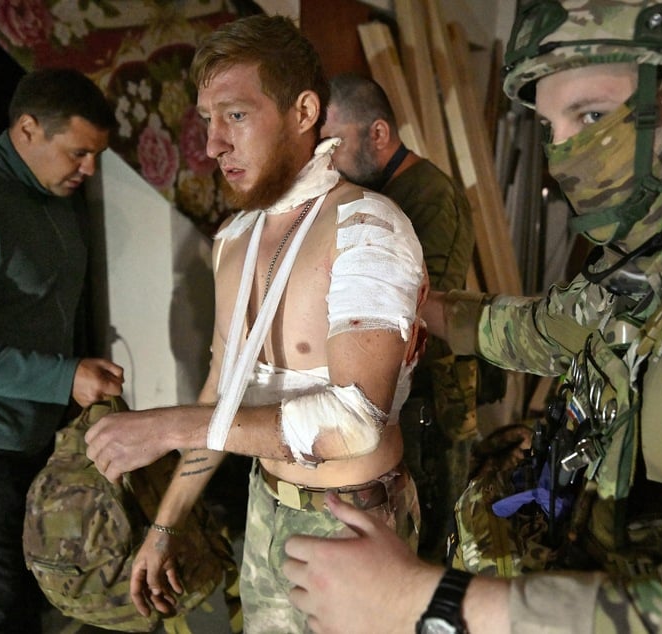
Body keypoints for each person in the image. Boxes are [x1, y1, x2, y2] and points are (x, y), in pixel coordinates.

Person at [281, 1, 662, 632]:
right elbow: (553, 327)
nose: (564, 150)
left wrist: (425, 600)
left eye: (593, 115)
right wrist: (421, 309)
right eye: (551, 126)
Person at [83, 14, 427, 632]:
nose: (213, 145)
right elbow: (224, 387)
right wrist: (165, 525)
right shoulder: (235, 238)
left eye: (235, 115)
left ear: (302, 112)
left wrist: (163, 428)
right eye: (207, 121)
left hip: (352, 521)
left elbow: (354, 424)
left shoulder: (368, 229)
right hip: (266, 505)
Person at [0, 68, 125, 633]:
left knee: (40, 604)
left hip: (39, 444)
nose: (89, 169)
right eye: (78, 153)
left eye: (96, 155)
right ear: (26, 130)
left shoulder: (50, 190)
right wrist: (64, 377)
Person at [322, 73, 477, 563]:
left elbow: (418, 308)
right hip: (398, 402)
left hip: (431, 404)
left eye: (335, 143)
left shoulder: (429, 195)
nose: (328, 159)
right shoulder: (376, 196)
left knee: (428, 547)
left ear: (379, 135)